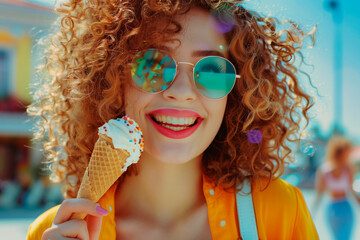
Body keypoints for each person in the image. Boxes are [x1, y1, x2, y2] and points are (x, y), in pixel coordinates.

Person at [26, 0, 319, 239]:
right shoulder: (52, 232)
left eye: (213, 71)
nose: (180, 91)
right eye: (153, 63)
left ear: (238, 94)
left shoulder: (281, 212)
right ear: (112, 79)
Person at [314, 136, 360, 240]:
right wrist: (310, 213)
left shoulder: (348, 169)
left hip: (346, 207)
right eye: (347, 151)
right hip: (332, 208)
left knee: (345, 237)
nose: (349, 154)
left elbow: (352, 191)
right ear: (339, 151)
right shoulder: (324, 170)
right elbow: (319, 193)